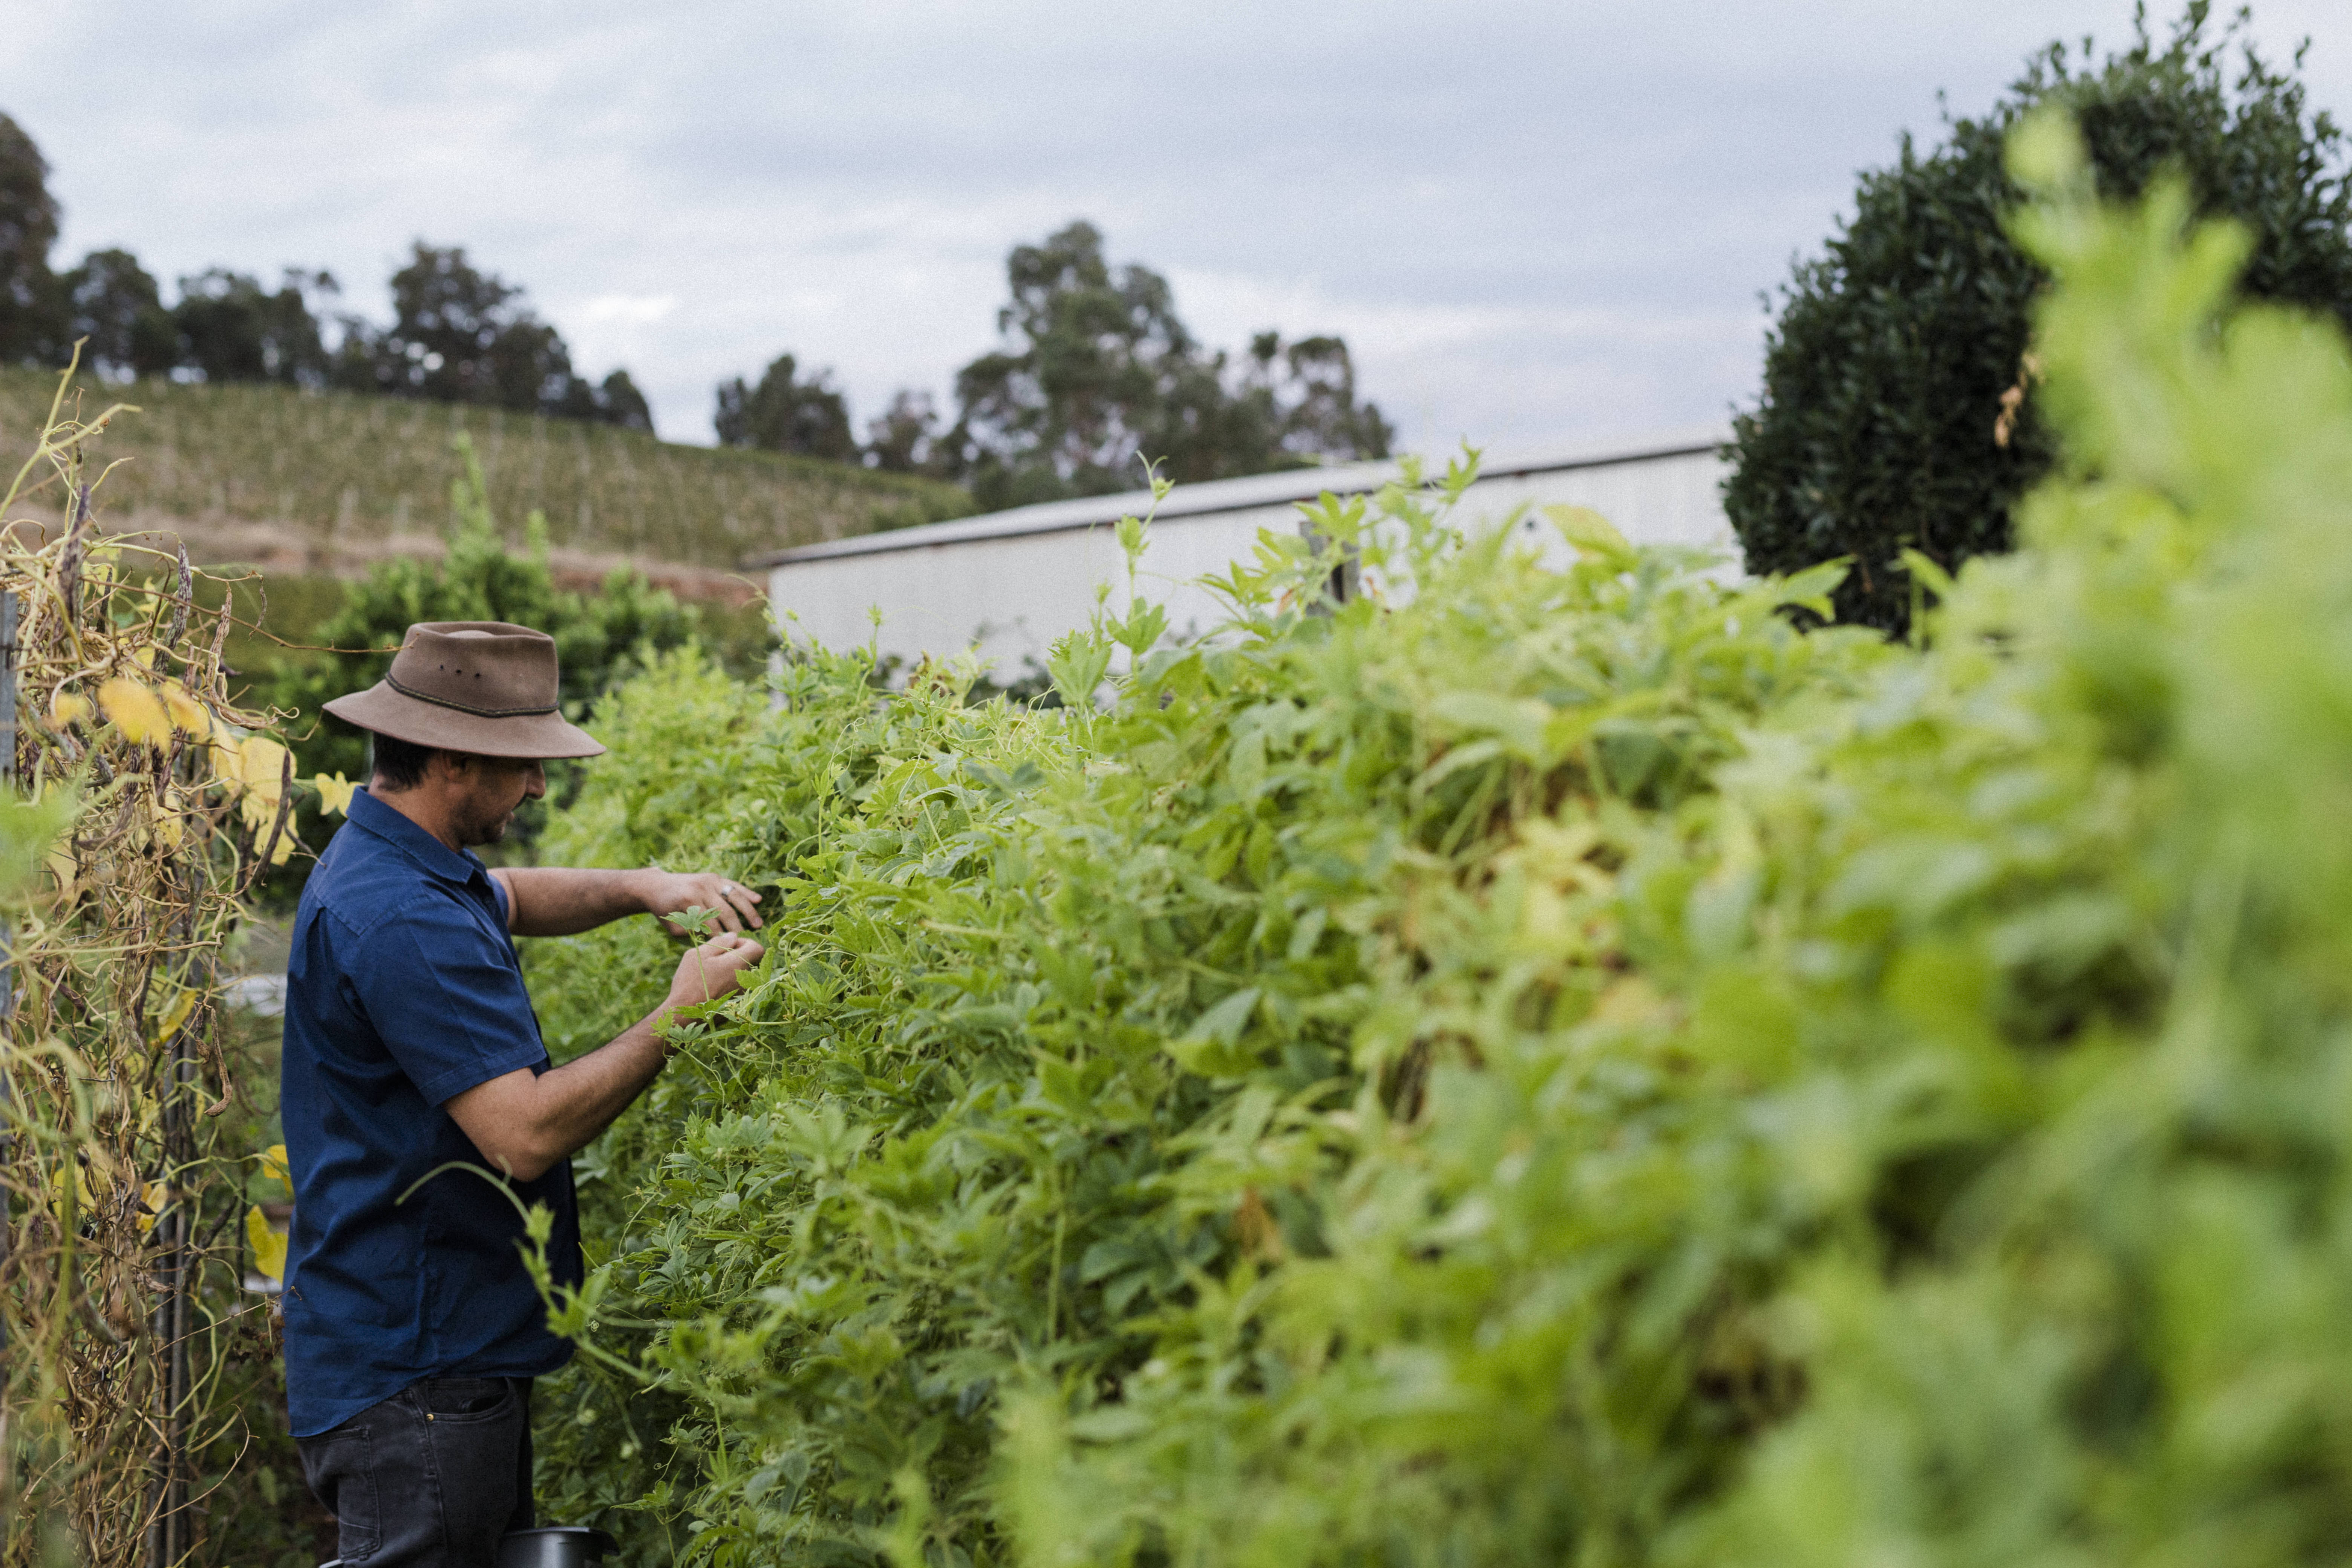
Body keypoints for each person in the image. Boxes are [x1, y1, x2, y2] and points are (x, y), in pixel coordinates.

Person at [280, 621, 766, 1568]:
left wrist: (642, 886)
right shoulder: (403, 915)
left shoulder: (396, 862)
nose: (539, 785)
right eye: (524, 763)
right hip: (419, 1372)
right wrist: (681, 1014)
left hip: (419, 1351)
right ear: (456, 760)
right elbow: (523, 1134)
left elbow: (509, 892)